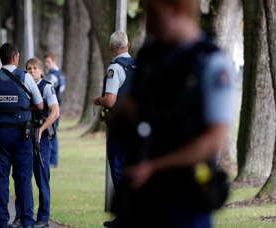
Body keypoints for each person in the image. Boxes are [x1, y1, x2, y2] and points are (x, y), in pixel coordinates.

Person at [110, 0, 235, 227]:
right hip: (142, 197)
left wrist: (154, 168)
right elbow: (127, 112)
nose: (147, 22)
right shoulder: (149, 57)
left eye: (153, 13)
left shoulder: (211, 62)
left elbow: (213, 142)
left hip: (185, 199)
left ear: (177, 10)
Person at [0, 43, 43, 228]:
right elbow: (39, 105)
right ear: (16, 58)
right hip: (23, 136)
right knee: (23, 180)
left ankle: (2, 223)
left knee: (1, 180)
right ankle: (27, 221)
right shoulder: (26, 77)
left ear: (1, 58)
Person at [92, 31, 136, 228]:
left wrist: (98, 100)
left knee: (119, 171)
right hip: (139, 128)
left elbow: (110, 100)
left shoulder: (115, 68)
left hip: (121, 129)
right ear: (129, 44)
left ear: (111, 47)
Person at [11, 58, 60, 228]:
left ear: (41, 70)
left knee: (41, 180)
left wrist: (41, 130)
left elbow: (55, 112)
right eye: (28, 69)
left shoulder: (46, 87)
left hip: (41, 139)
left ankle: (43, 218)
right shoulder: (22, 86)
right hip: (23, 137)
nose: (31, 71)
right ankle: (21, 217)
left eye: (34, 68)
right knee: (22, 179)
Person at [44, 53, 65, 168]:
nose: (46, 64)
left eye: (48, 61)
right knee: (52, 132)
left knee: (52, 133)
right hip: (57, 106)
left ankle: (53, 160)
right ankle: (52, 160)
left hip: (52, 107)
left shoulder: (52, 76)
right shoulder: (61, 74)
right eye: (45, 62)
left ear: (54, 61)